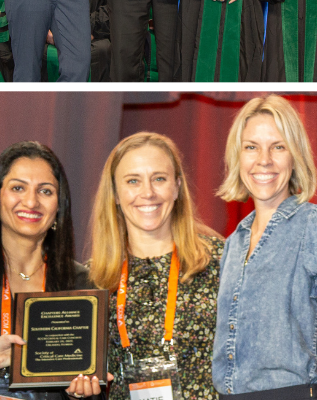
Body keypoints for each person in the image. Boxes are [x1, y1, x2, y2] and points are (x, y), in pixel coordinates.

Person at [88, 133, 223, 400]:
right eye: (133, 181)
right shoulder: (93, 278)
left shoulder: (220, 260)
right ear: (115, 194)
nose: (148, 193)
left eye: (159, 179)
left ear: (177, 187)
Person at [212, 96, 317, 399]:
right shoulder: (233, 242)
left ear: (295, 155)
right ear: (238, 156)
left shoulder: (313, 225)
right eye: (251, 147)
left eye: (278, 147)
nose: (264, 160)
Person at [0, 142, 100, 399]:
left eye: (45, 191)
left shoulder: (82, 285)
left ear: (59, 206)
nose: (31, 201)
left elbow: (95, 384)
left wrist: (80, 395)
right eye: (18, 188)